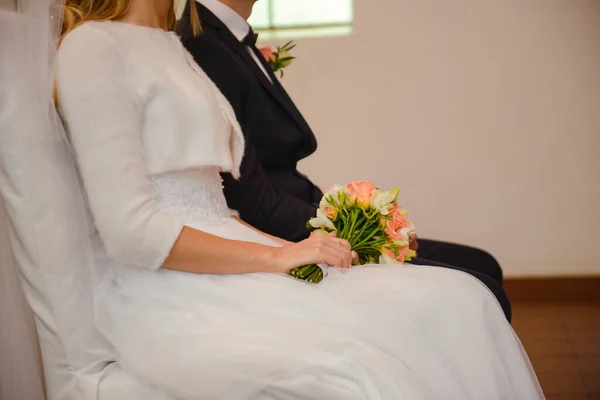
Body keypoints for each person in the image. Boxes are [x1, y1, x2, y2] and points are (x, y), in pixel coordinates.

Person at [54, 0, 543, 398]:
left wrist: (301, 251)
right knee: (360, 365)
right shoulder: (92, 48)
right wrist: (277, 255)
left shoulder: (170, 46)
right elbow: (129, 231)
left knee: (463, 300)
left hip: (228, 253)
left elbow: (213, 208)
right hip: (167, 289)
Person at [178, 0, 505, 287]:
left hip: (307, 212)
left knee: (483, 264)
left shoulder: (229, 38)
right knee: (478, 284)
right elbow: (249, 196)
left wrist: (375, 226)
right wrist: (353, 233)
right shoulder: (205, 46)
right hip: (285, 234)